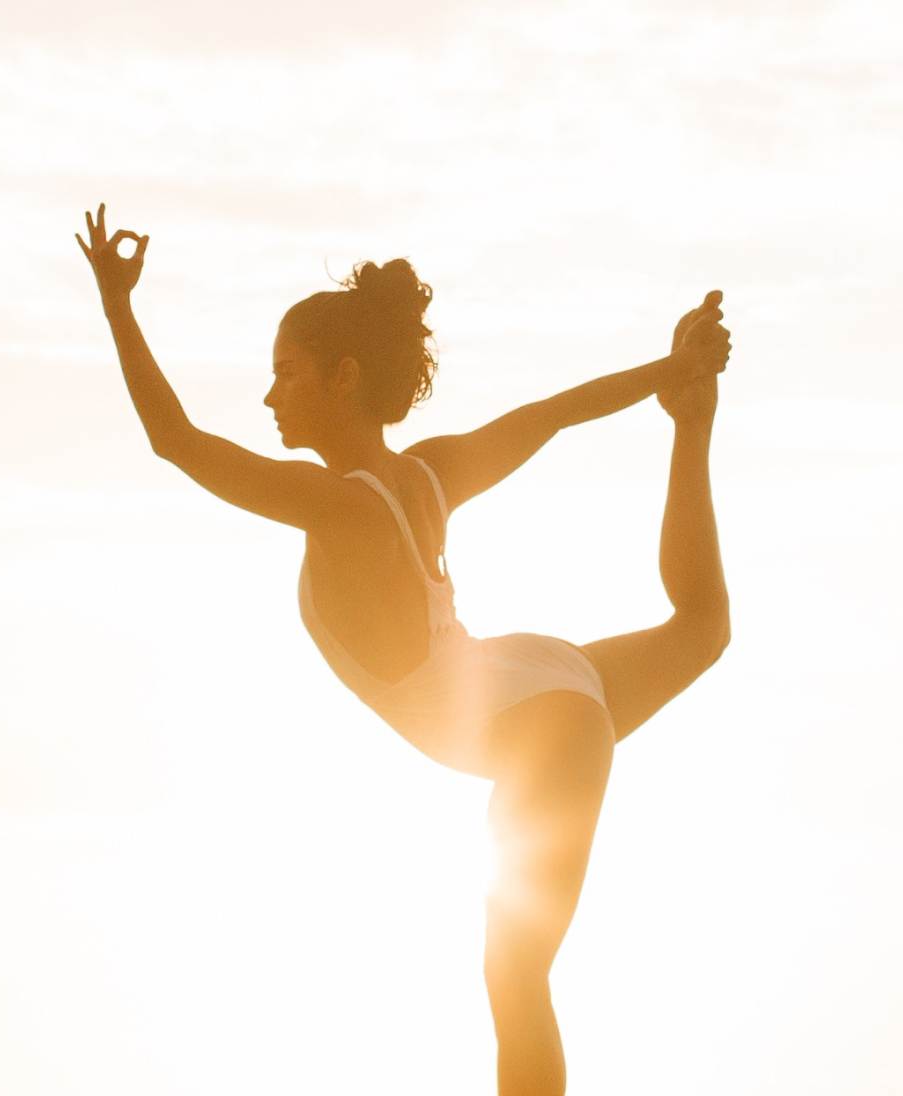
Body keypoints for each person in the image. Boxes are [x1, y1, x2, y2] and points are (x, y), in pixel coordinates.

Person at [77, 203, 732, 1096]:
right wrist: (676, 375)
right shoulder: (427, 473)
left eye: (285, 373)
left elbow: (175, 441)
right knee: (701, 629)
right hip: (535, 678)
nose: (269, 395)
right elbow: (551, 414)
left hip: (535, 717)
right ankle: (693, 425)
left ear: (342, 378)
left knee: (515, 977)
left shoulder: (342, 506)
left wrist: (118, 309)